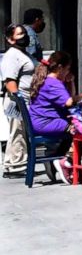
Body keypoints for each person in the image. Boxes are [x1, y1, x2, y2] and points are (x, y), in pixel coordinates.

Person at [27, 51, 78, 183]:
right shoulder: (53, 83)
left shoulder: (45, 79)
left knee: (73, 127)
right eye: (67, 69)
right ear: (60, 67)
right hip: (46, 122)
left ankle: (54, 158)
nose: (67, 72)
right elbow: (69, 102)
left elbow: (67, 99)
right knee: (79, 129)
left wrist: (70, 82)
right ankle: (66, 161)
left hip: (38, 121)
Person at [1, 24, 37, 177]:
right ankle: (16, 166)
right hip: (17, 101)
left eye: (25, 33)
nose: (25, 37)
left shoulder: (23, 53)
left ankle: (12, 164)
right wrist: (19, 99)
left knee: (19, 132)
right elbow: (9, 80)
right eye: (20, 34)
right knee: (18, 132)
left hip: (25, 99)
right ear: (10, 39)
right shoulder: (12, 55)